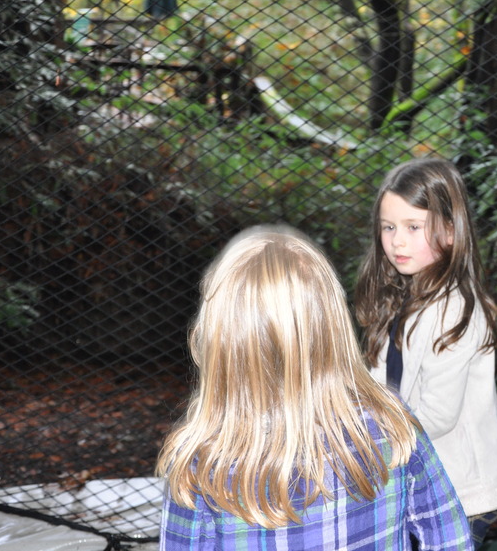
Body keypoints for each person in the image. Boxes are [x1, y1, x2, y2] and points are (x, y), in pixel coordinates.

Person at [156, 225, 473, 551]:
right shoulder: (391, 423)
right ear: (333, 323)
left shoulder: (201, 463)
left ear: (218, 339)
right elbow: (451, 537)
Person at [355, 158, 497, 548]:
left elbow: (438, 416)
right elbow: (379, 385)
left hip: (464, 490)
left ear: (449, 229)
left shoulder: (455, 311)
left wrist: (371, 443)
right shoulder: (402, 295)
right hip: (420, 475)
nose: (397, 241)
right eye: (389, 227)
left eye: (414, 227)